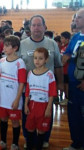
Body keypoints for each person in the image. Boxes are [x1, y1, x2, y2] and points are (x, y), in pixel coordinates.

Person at [19, 15, 63, 149]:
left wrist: (60, 84)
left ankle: (44, 139)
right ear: (30, 27)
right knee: (27, 116)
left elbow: (58, 65)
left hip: (46, 91)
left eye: (39, 25)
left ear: (44, 27)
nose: (36, 28)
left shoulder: (52, 43)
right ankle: (29, 139)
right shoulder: (22, 44)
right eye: (34, 25)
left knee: (46, 115)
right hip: (29, 90)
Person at [0, 35, 26, 150]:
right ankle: (3, 142)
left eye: (7, 46)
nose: (4, 48)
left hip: (13, 99)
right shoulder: (1, 61)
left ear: (15, 48)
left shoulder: (20, 62)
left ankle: (15, 144)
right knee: (2, 120)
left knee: (15, 122)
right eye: (4, 45)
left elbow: (22, 83)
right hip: (2, 98)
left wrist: (17, 99)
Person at [24, 47, 57, 150]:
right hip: (32, 104)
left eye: (40, 58)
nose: (37, 61)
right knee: (30, 128)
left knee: (41, 129)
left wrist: (48, 108)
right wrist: (25, 104)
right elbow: (28, 91)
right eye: (35, 58)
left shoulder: (49, 74)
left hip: (43, 105)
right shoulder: (30, 73)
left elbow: (52, 93)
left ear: (46, 59)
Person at [62, 8, 84, 150]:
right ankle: (76, 143)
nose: (76, 19)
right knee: (73, 115)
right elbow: (67, 55)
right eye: (76, 17)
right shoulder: (75, 37)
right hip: (73, 84)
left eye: (79, 17)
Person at [59, 31, 71, 106]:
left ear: (67, 39)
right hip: (62, 70)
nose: (61, 39)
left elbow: (66, 59)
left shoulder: (68, 47)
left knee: (67, 85)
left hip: (67, 70)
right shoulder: (62, 47)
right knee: (64, 85)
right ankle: (65, 98)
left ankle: (68, 98)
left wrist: (62, 63)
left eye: (62, 38)